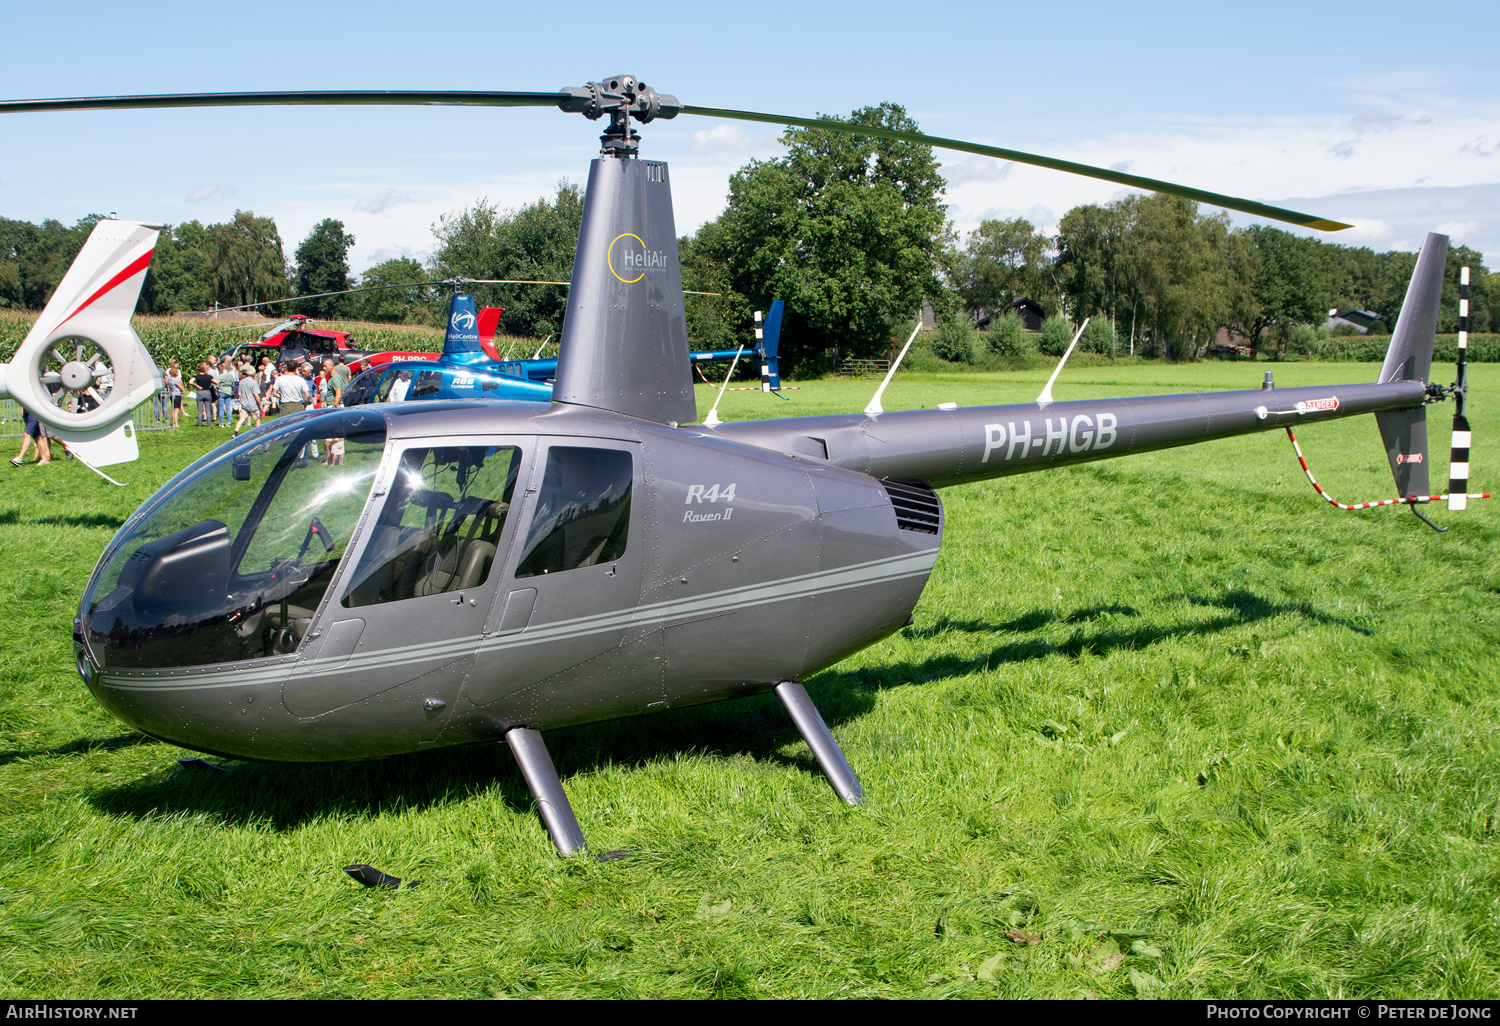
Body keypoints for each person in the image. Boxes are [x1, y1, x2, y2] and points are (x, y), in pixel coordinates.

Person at [233, 366, 263, 438]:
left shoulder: (242, 381)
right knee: (257, 418)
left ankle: (235, 433)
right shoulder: (253, 382)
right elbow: (256, 394)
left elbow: (239, 393)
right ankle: (258, 433)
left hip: (244, 403)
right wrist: (260, 404)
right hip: (252, 403)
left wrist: (242, 399)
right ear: (253, 375)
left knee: (241, 419)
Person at [217, 362, 238, 427]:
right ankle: (229, 423)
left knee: (221, 408)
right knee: (228, 408)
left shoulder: (220, 376)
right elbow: (232, 384)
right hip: (229, 392)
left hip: (222, 391)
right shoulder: (230, 376)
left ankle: (221, 423)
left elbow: (217, 384)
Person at [166, 362, 184, 427]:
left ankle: (174, 422)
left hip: (171, 395)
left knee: (174, 409)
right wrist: (183, 390)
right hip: (177, 395)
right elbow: (181, 387)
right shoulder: (175, 380)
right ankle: (176, 423)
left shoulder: (169, 380)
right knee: (176, 409)